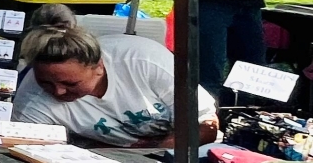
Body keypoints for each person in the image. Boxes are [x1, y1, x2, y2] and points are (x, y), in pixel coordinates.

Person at [14, 22, 218, 147]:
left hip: (182, 152)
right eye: (45, 83)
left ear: (99, 66)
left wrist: (156, 155)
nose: (58, 91)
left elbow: (205, 124)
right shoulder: (31, 102)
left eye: (71, 83)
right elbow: (28, 152)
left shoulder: (144, 60)